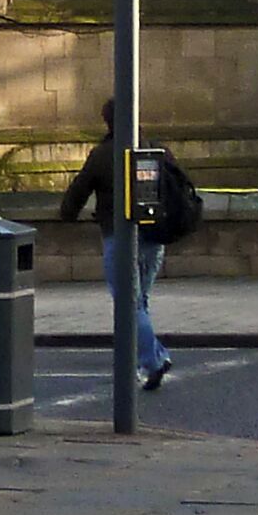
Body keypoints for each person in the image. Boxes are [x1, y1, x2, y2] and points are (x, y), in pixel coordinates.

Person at [58, 98, 174, 390]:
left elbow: (75, 196)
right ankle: (141, 359)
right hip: (154, 237)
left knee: (129, 304)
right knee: (140, 301)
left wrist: (67, 216)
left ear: (108, 121)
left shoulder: (102, 154)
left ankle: (154, 358)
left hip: (120, 239)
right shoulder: (155, 149)